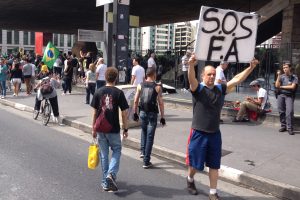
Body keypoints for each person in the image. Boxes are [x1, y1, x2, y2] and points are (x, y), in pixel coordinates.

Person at [186, 53, 259, 199]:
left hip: (214, 134)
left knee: (214, 165)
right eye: (208, 74)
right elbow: (191, 79)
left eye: (213, 74)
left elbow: (237, 79)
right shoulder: (198, 89)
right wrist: (190, 65)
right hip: (198, 133)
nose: (212, 77)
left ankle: (213, 193)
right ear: (203, 76)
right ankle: (190, 179)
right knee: (195, 165)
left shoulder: (220, 89)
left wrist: (250, 68)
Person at [91, 67, 129, 192]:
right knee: (117, 150)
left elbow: (95, 112)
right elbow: (124, 113)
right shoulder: (119, 93)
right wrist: (125, 128)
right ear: (116, 78)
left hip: (100, 128)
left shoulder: (98, 91)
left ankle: (105, 183)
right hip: (113, 128)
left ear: (105, 77)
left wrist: (93, 128)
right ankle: (111, 174)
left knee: (104, 155)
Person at [133, 67, 166, 168]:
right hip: (152, 113)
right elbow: (160, 103)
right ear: (154, 74)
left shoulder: (140, 85)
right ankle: (146, 161)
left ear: (146, 75)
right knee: (150, 137)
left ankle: (143, 152)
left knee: (144, 131)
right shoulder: (158, 87)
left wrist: (135, 113)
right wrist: (162, 116)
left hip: (142, 112)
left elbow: (136, 100)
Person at [275, 63, 298, 135]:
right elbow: (276, 85)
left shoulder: (294, 77)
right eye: (283, 68)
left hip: (289, 96)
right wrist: (278, 75)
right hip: (280, 95)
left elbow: (292, 87)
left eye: (286, 67)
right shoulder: (281, 76)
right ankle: (283, 126)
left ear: (290, 68)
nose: (284, 69)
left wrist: (281, 87)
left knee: (289, 112)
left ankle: (290, 128)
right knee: (281, 111)